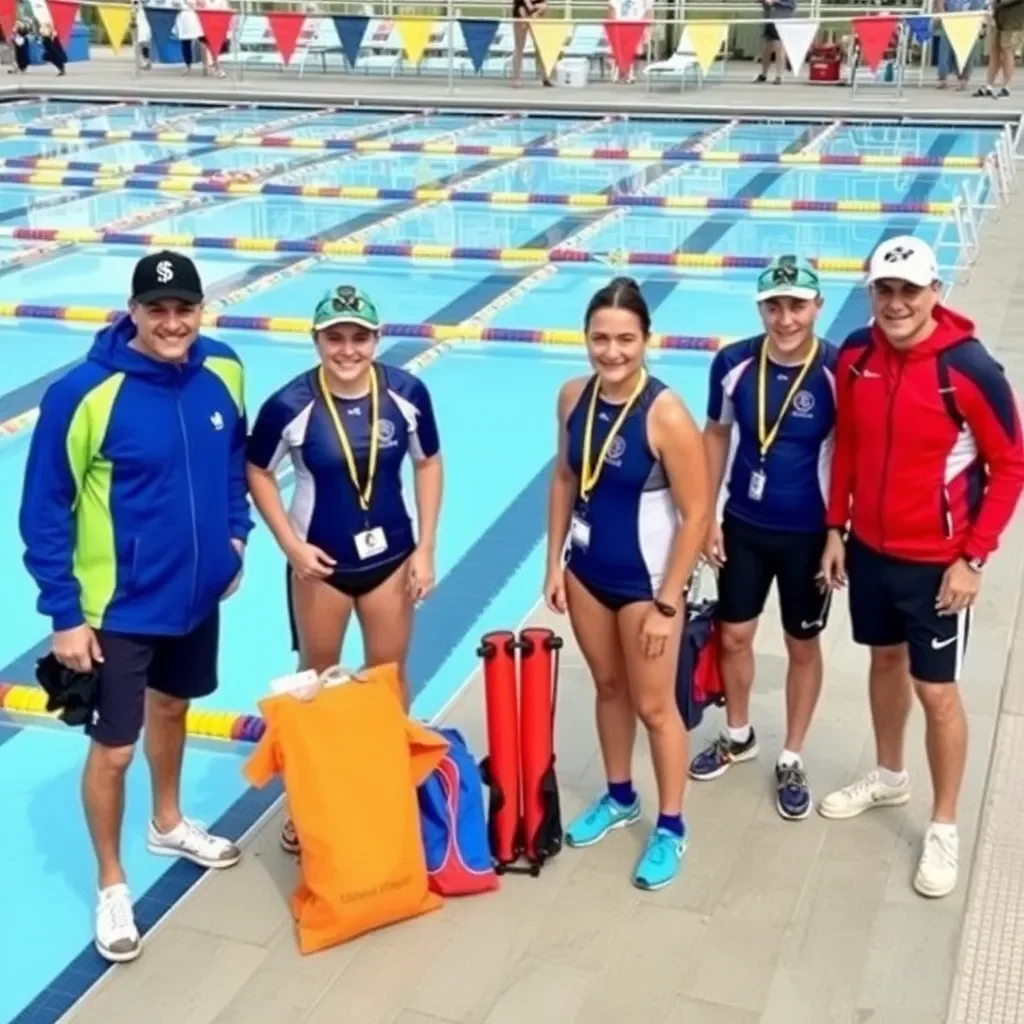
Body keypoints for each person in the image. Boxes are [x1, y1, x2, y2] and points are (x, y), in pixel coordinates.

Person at [19, 251, 252, 963]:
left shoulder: (226, 369)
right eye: (158, 310)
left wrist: (234, 538)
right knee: (114, 750)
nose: (173, 322)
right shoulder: (84, 394)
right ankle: (112, 883)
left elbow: (232, 461)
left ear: (200, 310)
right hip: (116, 608)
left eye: (184, 308)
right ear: (133, 312)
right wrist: (64, 613)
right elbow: (43, 507)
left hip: (195, 597)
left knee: (175, 709)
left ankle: (169, 821)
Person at [819, 236, 1024, 898]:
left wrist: (973, 557)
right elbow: (848, 441)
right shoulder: (854, 354)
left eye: (910, 290)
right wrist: (834, 527)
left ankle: (944, 824)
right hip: (871, 552)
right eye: (886, 289)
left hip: (937, 566)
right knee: (883, 664)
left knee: (936, 693)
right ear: (871, 290)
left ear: (936, 291)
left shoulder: (968, 368)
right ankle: (888, 775)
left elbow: (1012, 465)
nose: (898, 303)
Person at [245, 284, 442, 854]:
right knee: (317, 683)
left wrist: (426, 547)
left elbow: (429, 464)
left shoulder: (407, 393)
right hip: (320, 567)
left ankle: (387, 786)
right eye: (336, 337)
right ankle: (307, 800)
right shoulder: (288, 404)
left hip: (391, 562)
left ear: (377, 340)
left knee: (388, 677)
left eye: (360, 337)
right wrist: (290, 545)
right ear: (317, 340)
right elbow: (257, 472)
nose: (348, 349)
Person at [543, 276, 711, 891]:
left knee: (655, 706)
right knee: (608, 687)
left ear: (646, 340)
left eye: (625, 340)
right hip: (587, 572)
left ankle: (671, 826)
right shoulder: (571, 397)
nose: (611, 352)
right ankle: (620, 797)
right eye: (600, 339)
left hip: (648, 585)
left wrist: (670, 604)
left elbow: (696, 515)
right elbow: (564, 479)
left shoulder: (665, 413)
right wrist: (553, 562)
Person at [687, 257, 837, 821]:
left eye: (797, 305)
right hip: (744, 527)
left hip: (807, 535)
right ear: (761, 308)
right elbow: (716, 434)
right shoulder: (732, 364)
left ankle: (792, 756)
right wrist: (705, 518)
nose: (786, 318)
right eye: (774, 306)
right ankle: (738, 733)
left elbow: (848, 453)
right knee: (734, 637)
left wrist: (836, 533)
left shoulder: (834, 370)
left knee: (803, 645)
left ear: (816, 307)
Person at [974, 0, 1022, 98]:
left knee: (1007, 50)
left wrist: (996, 1)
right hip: (998, 19)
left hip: (1014, 20)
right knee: (994, 51)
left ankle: (1006, 86)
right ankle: (989, 86)